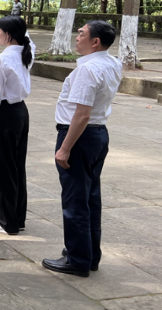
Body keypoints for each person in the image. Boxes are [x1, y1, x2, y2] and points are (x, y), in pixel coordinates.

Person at [42, 21, 121, 278]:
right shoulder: (112, 62)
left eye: (81, 34)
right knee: (90, 198)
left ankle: (77, 260)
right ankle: (89, 255)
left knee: (76, 200)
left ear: (95, 41)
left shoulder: (88, 69)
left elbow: (82, 114)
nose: (77, 37)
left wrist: (65, 148)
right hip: (98, 134)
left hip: (79, 136)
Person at [0, 15, 35, 235]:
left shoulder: (1, 59)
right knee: (17, 166)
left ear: (9, 34)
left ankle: (4, 220)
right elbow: (27, 37)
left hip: (4, 115)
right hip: (20, 112)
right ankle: (17, 218)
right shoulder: (26, 52)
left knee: (3, 167)